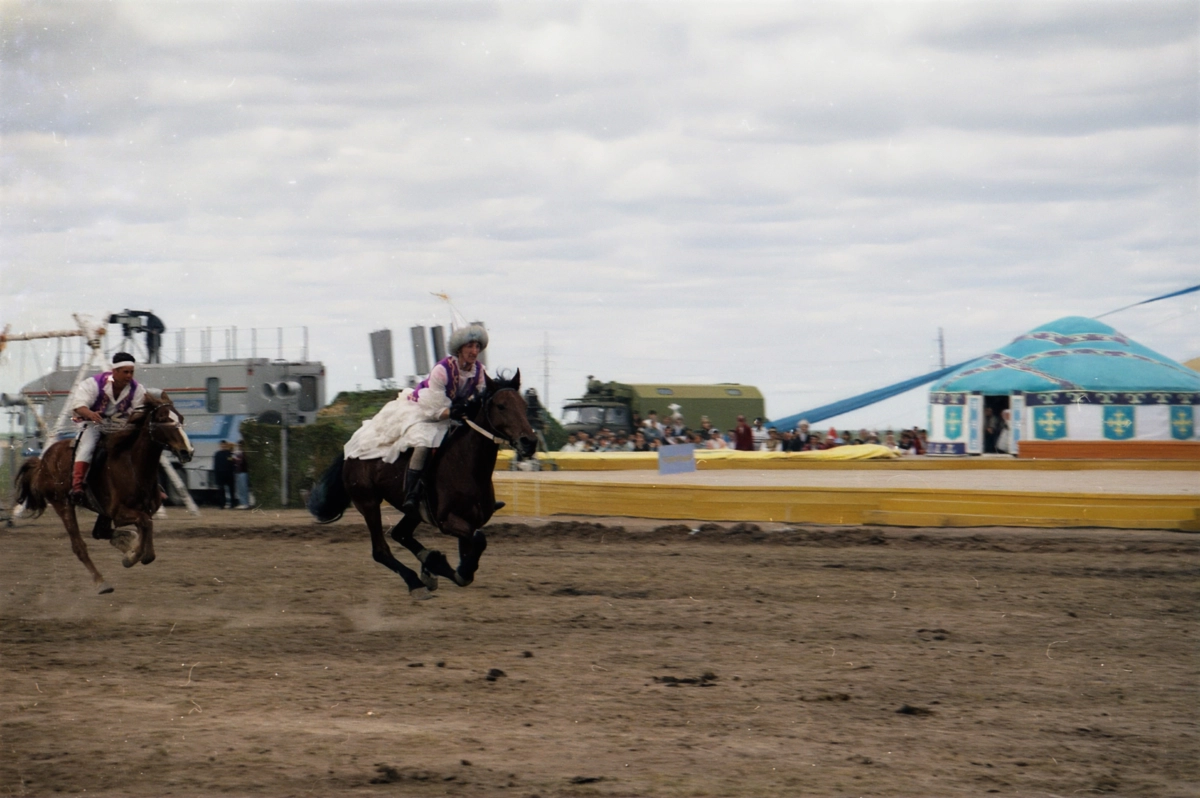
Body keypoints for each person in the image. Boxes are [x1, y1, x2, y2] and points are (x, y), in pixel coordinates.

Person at [343, 324, 489, 515]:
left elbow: (480, 398)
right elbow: (434, 411)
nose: (474, 351)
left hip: (453, 413)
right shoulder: (442, 370)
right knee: (424, 442)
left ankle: (482, 495)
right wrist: (453, 412)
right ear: (460, 349)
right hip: (424, 409)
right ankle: (411, 493)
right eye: (470, 346)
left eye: (477, 347)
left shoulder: (480, 372)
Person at [68, 351, 149, 503]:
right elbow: (79, 405)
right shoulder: (94, 383)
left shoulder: (137, 389)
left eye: (131, 372)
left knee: (141, 448)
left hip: (121, 426)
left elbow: (139, 410)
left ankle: (152, 486)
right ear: (115, 371)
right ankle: (77, 486)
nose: (129, 376)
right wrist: (91, 414)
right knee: (88, 447)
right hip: (95, 425)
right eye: (125, 372)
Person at [213, 440, 236, 509]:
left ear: (226, 445)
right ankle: (222, 504)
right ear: (220, 446)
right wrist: (216, 475)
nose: (223, 446)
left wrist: (232, 471)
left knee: (231, 489)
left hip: (229, 474)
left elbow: (231, 463)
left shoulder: (229, 453)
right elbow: (215, 465)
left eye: (224, 445)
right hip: (220, 474)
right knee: (221, 490)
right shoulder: (217, 454)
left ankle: (232, 504)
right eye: (222, 445)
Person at [233, 441, 251, 508]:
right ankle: (242, 502)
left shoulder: (245, 453)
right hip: (237, 472)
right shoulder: (238, 453)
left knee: (244, 488)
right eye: (239, 445)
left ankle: (245, 503)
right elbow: (235, 461)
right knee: (239, 488)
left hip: (243, 472)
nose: (239, 446)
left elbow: (243, 462)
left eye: (240, 445)